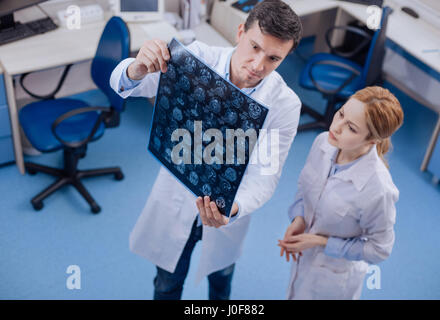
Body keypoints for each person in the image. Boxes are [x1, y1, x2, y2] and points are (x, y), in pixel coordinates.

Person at [110, 0, 303, 300]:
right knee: (167, 284)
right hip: (176, 198)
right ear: (240, 32)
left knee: (221, 279)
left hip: (227, 213)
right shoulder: (197, 59)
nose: (258, 65)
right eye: (254, 47)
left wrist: (234, 209)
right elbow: (131, 85)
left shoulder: (285, 105)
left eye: (273, 58)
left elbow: (266, 175)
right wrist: (136, 67)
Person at [278, 86, 404, 300]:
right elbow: (305, 187)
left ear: (372, 141)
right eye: (341, 113)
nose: (336, 127)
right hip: (304, 261)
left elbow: (379, 250)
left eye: (352, 128)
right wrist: (299, 218)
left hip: (333, 279)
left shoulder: (379, 189)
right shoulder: (323, 143)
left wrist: (321, 242)